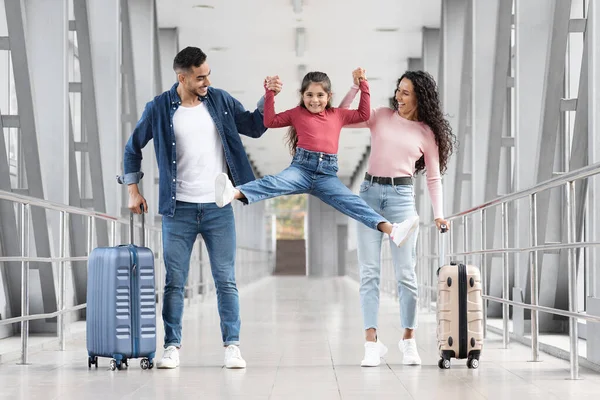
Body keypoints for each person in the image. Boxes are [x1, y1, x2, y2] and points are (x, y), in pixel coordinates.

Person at [118, 46, 282, 369]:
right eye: (200, 77)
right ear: (182, 77)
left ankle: (232, 346)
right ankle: (172, 347)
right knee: (175, 280)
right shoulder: (160, 108)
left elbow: (254, 125)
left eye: (208, 75)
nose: (207, 81)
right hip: (177, 210)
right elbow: (132, 147)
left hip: (218, 207)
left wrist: (268, 98)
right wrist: (133, 190)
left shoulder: (219, 101)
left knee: (225, 279)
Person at [214, 70, 420, 245]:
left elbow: (363, 114)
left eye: (320, 95)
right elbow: (270, 121)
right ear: (302, 95)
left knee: (353, 203)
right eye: (309, 95)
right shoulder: (297, 113)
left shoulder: (337, 115)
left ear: (328, 96)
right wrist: (270, 94)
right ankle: (232, 193)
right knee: (273, 183)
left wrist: (363, 85)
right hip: (301, 169)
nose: (314, 100)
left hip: (327, 175)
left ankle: (392, 230)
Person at [338, 69, 455, 367]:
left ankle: (408, 340)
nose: (398, 96)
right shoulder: (379, 115)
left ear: (420, 97)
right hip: (368, 196)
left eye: (405, 92)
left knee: (407, 276)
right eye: (398, 90)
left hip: (402, 200)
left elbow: (432, 178)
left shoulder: (427, 134)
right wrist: (355, 88)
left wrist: (439, 214)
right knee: (369, 273)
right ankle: (370, 343)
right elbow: (340, 116)